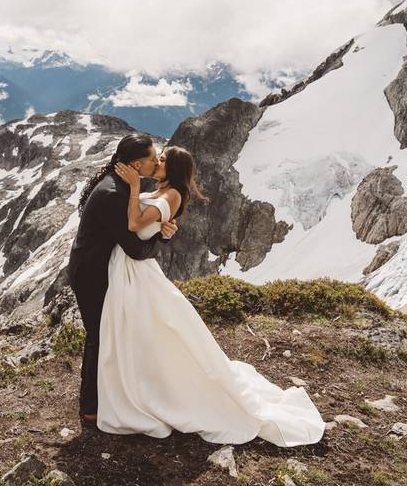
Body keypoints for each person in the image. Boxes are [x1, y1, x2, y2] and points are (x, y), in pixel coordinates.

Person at [97, 145, 325, 447]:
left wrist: (136, 187)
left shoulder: (172, 195)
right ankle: (143, 385)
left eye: (162, 160)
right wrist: (159, 227)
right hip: (128, 270)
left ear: (174, 168)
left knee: (151, 332)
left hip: (136, 274)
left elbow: (135, 224)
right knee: (143, 333)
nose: (157, 162)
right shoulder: (165, 193)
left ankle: (151, 392)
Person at [68, 134, 178, 426]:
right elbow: (135, 248)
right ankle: (90, 407)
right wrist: (161, 237)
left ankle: (107, 395)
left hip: (95, 267)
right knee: (98, 335)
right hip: (92, 272)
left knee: (107, 333)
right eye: (153, 159)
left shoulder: (116, 186)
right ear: (134, 164)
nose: (157, 163)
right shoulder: (114, 194)